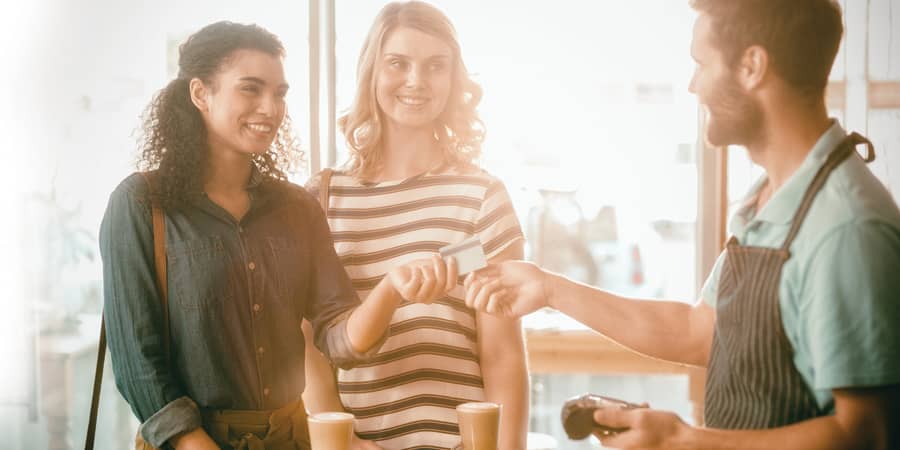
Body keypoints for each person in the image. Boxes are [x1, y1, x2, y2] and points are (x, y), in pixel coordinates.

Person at [464, 0, 900, 449]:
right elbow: (698, 331)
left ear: (751, 67)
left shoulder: (846, 227)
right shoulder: (770, 199)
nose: (694, 86)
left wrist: (686, 440)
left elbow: (867, 432)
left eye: (701, 64)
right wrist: (549, 289)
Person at [100, 21, 443, 450]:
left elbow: (338, 340)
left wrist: (391, 290)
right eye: (251, 89)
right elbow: (139, 367)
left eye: (279, 93)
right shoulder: (140, 203)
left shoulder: (297, 208)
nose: (270, 108)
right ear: (200, 93)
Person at [301, 2, 529, 449]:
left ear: (454, 79)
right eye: (398, 63)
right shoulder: (324, 199)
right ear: (372, 71)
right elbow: (306, 349)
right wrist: (345, 443)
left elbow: (503, 355)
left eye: (435, 66)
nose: (416, 80)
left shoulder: (483, 197)